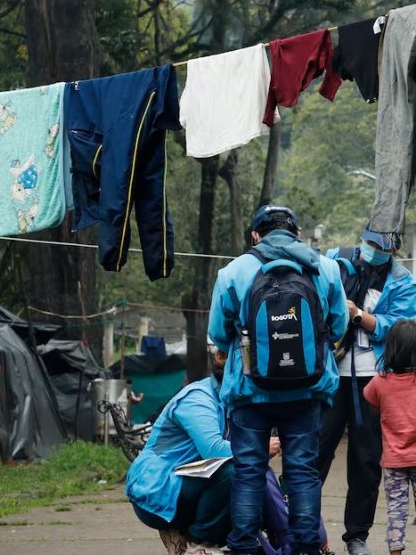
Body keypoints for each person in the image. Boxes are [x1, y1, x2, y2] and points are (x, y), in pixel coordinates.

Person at [209, 205, 349, 555]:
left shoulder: (233, 272)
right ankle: (305, 547)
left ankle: (243, 546)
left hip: (249, 392)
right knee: (302, 471)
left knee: (249, 472)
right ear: (297, 234)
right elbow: (339, 326)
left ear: (255, 235)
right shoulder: (326, 268)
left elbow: (218, 332)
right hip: (307, 389)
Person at [319, 228, 416, 555]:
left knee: (366, 460)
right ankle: (295, 524)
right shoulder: (335, 261)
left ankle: (357, 536)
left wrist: (360, 317)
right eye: (369, 242)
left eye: (380, 245)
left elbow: (400, 326)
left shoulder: (403, 282)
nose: (372, 249)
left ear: (394, 248)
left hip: (373, 379)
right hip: (330, 374)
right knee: (315, 449)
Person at [125, 344, 235, 555]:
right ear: (222, 358)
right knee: (234, 472)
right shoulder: (198, 398)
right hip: (157, 490)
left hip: (186, 483)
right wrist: (259, 448)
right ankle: (198, 543)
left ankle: (186, 533)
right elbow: (214, 450)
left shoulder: (231, 400)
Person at [363, 320, 416, 555]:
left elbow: (371, 401)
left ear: (391, 349)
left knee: (396, 510)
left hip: (394, 460)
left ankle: (396, 552)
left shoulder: (380, 382)